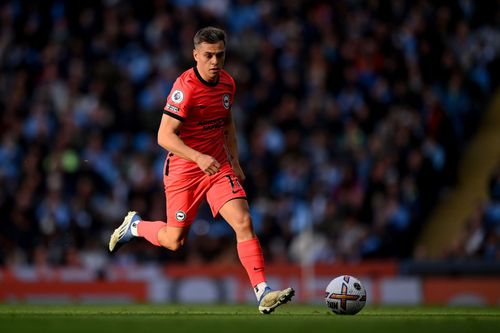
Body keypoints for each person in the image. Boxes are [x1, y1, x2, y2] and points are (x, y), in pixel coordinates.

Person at [108, 26, 294, 314]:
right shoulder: (185, 89)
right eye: (208, 55)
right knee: (174, 240)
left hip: (218, 167)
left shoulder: (228, 84)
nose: (214, 62)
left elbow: (228, 123)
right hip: (185, 169)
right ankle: (135, 226)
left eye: (220, 55)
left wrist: (235, 161)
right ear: (195, 55)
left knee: (244, 221)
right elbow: (164, 136)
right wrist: (197, 157)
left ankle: (262, 292)